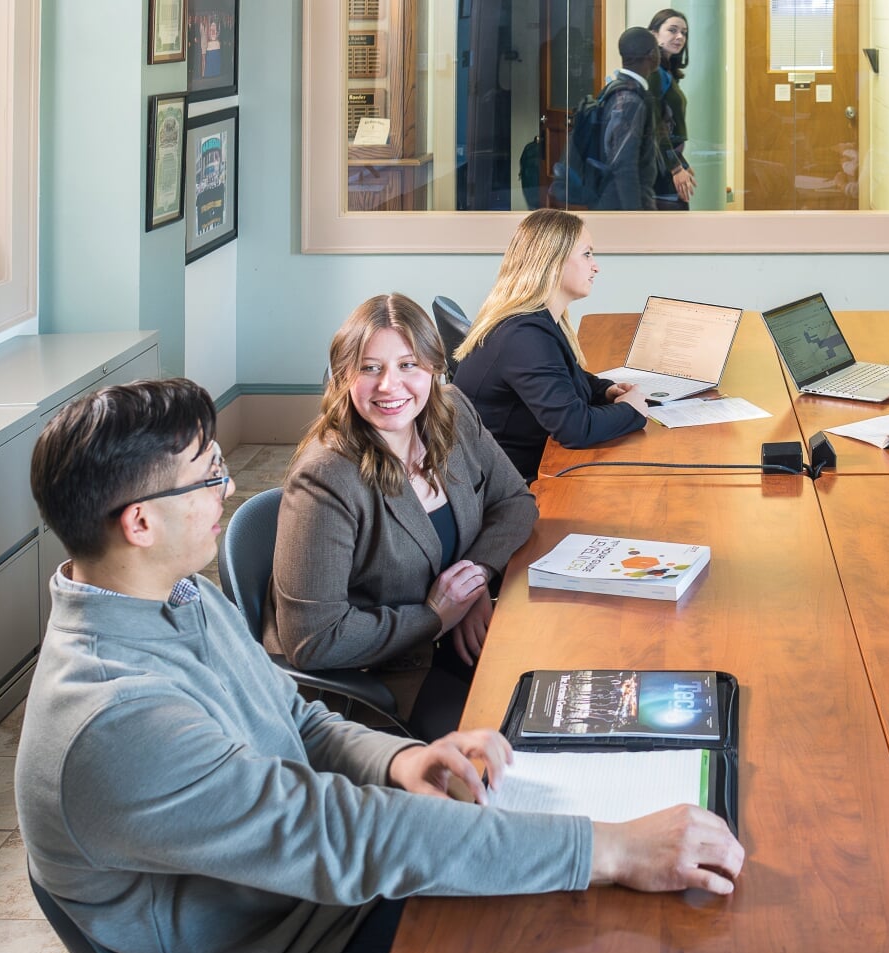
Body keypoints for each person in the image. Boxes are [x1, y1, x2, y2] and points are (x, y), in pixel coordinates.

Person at [19, 377, 743, 953]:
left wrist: (406, 761)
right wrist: (609, 847)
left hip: (331, 915)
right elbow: (345, 836)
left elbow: (299, 721)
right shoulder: (115, 718)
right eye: (208, 475)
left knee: (605, 943)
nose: (228, 488)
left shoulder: (177, 598)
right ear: (138, 522)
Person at [267, 294, 534, 741]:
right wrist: (436, 616)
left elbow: (516, 502)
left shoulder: (452, 415)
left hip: (457, 640)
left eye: (408, 365)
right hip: (383, 677)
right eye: (370, 368)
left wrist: (473, 580)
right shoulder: (326, 477)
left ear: (433, 367)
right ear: (343, 376)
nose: (391, 385)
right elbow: (312, 639)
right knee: (516, 740)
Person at [453, 209, 649, 479]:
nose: (596, 266)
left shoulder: (534, 321)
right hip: (509, 489)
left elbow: (568, 375)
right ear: (554, 262)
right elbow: (574, 429)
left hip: (518, 469)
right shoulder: (524, 336)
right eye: (587, 254)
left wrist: (606, 391)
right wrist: (632, 411)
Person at [591, 27, 664, 212]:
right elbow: (624, 164)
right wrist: (634, 215)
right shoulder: (630, 99)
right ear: (652, 55)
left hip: (613, 199)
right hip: (621, 204)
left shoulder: (616, 89)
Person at [648, 9, 694, 211]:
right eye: (672, 30)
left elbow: (670, 125)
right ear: (654, 34)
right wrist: (676, 167)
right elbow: (655, 126)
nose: (680, 37)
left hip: (667, 160)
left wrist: (681, 162)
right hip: (659, 165)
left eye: (684, 32)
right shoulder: (654, 72)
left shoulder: (666, 71)